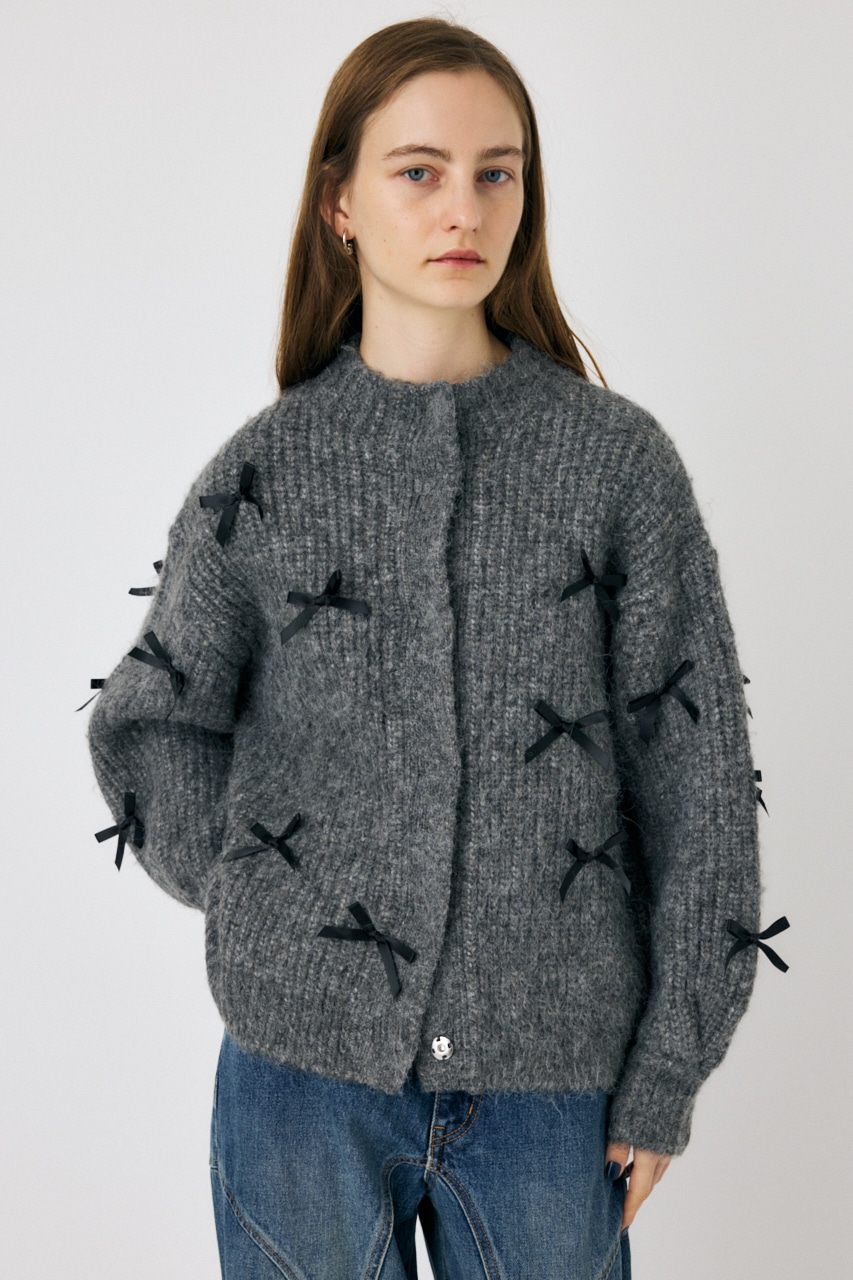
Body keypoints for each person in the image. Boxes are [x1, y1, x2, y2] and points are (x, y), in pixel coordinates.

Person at [86, 17, 785, 1279]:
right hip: (299, 1083)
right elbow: (152, 719)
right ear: (340, 202)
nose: (464, 206)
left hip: (554, 1084)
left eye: (495, 171)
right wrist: (260, 895)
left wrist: (668, 1065)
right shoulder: (268, 471)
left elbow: (697, 779)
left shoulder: (617, 467)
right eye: (418, 170)